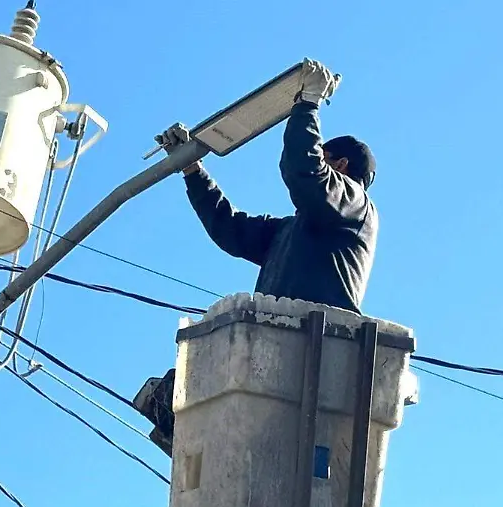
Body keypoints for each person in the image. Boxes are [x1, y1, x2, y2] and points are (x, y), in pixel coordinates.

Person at [134, 59, 378, 457]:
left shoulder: (356, 205)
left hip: (316, 356)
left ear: (342, 166)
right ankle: (201, 443)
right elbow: (230, 229)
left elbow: (305, 171)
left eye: (325, 156)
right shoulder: (290, 232)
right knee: (176, 394)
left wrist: (309, 104)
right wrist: (193, 170)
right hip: (275, 352)